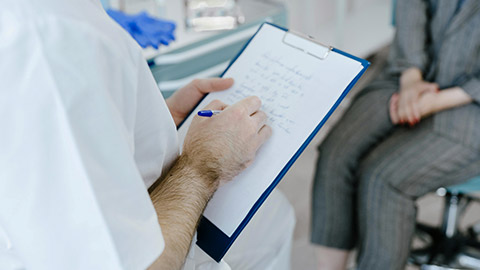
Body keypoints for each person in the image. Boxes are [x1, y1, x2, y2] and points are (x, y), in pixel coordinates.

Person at [0, 0, 295, 269]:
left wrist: (151, 121)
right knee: (273, 221)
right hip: (159, 251)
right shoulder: (48, 40)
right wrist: (203, 163)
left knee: (275, 212)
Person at [311, 0, 480, 269]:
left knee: (383, 178)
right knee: (337, 153)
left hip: (471, 102)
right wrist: (411, 77)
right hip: (410, 70)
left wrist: (435, 101)